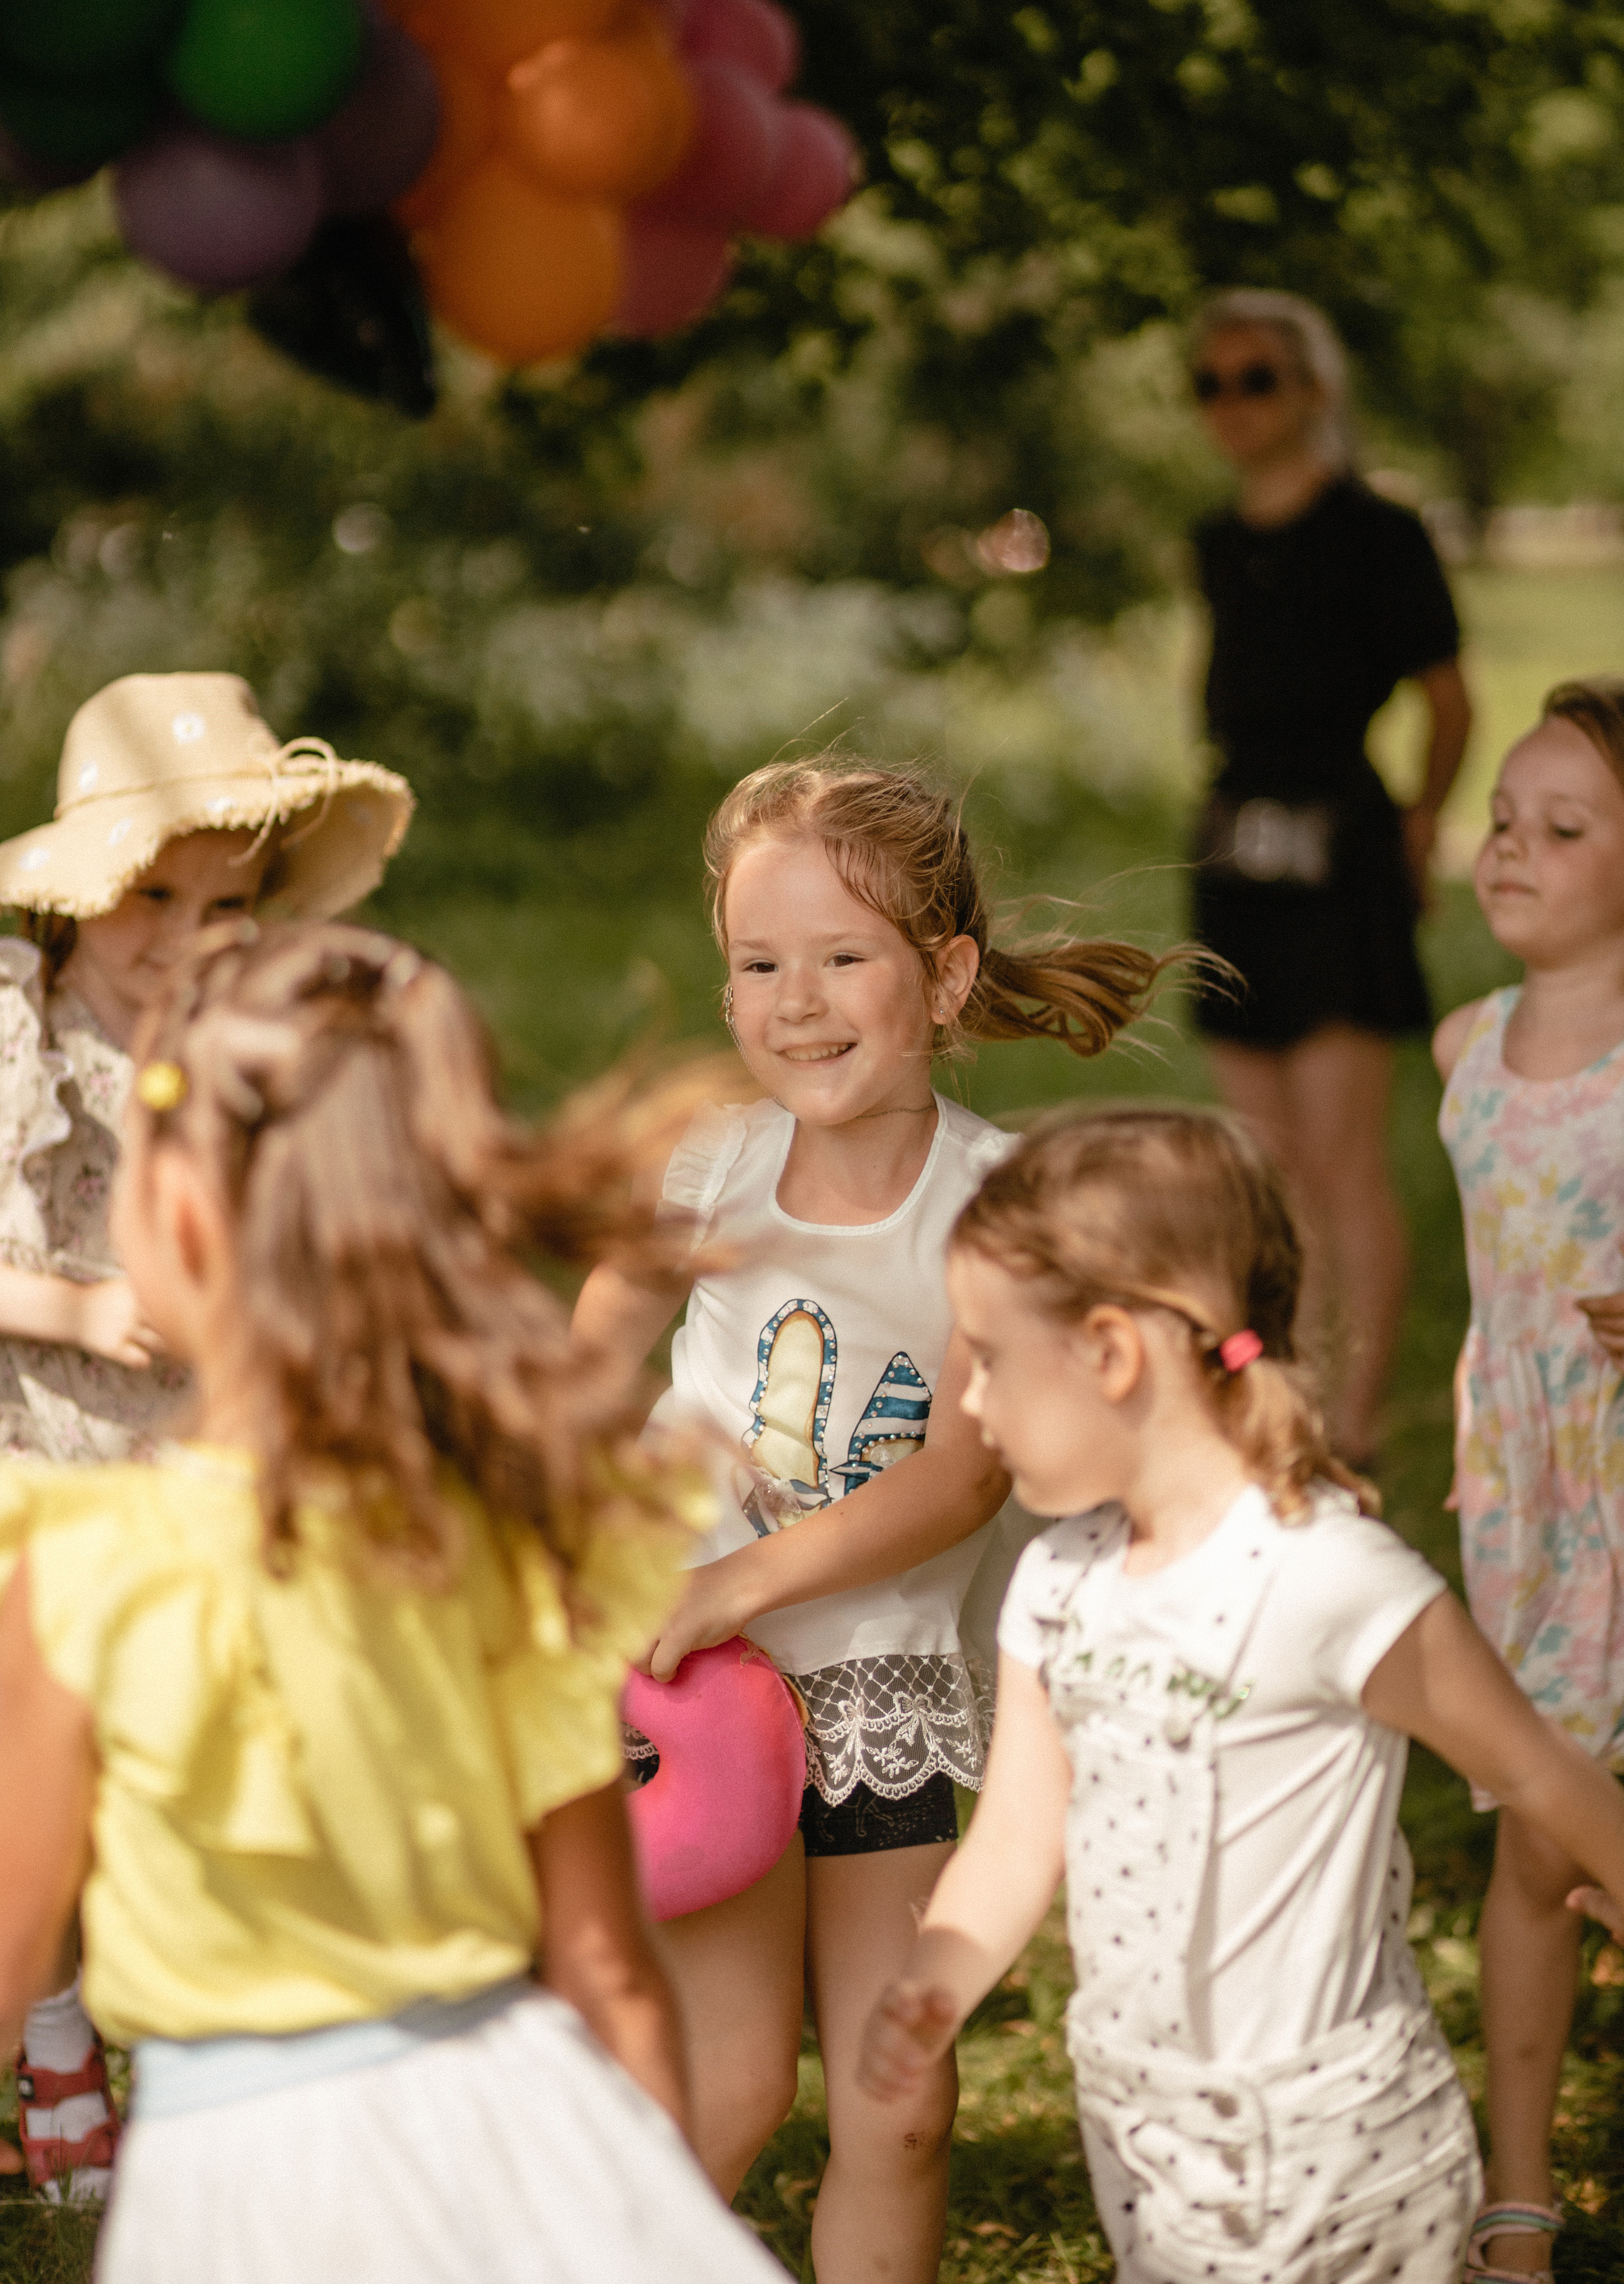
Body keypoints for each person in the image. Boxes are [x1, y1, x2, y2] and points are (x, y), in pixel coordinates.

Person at [0, 919, 785, 2284]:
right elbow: (607, 1972)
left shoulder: (81, 1569)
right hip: (520, 2126)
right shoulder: (501, 1549)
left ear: (173, 1213)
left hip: (241, 2191)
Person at [572, 757, 1177, 2284]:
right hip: (698, 1694)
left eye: (842, 957)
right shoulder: (709, 1169)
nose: (798, 1000)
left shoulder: (993, 1208)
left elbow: (962, 1478)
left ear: (944, 974)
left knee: (897, 2098)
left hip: (878, 1694)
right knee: (731, 2084)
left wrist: (751, 1575)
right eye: (758, 965)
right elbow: (576, 1369)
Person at [856, 1104, 1624, 2284]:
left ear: (1114, 1353)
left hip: (1340, 2149)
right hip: (1145, 2125)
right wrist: (934, 1983)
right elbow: (1015, 1836)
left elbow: (1534, 1766)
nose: (970, 1404)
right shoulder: (1059, 1580)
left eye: (990, 1359)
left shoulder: (1327, 1576)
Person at [0, 669, 412, 2202]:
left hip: (201, 1451)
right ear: (82, 892)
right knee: (44, 1762)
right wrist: (76, 1312)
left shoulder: (254, 1034)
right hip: (39, 1446)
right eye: (148, 895)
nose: (179, 934)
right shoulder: (19, 1029)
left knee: (193, 1752)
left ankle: (189, 2048)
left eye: (222, 901)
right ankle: (53, 2042)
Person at [1187, 287, 1472, 1467]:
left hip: (1340, 843)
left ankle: (1353, 1417)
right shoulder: (1216, 541)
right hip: (1234, 842)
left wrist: (1418, 827)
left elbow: (1449, 703)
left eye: (1259, 379)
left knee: (1343, 1153)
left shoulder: (1378, 533)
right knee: (1259, 1158)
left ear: (1312, 390)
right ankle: (1279, 1392)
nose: (1235, 405)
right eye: (1212, 383)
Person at [1434, 678, 1624, 2281]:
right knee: (1539, 1842)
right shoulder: (1462, 1048)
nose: (1512, 848)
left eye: (1561, 829)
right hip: (1533, 1498)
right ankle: (1517, 2186)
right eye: (1502, 820)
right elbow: (1499, 1292)